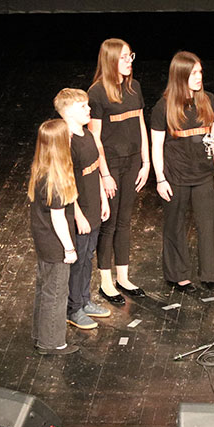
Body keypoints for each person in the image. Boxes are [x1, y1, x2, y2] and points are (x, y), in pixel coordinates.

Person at [150, 52, 214, 291]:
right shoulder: (163, 106)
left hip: (204, 173)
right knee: (175, 225)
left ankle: (210, 274)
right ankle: (178, 275)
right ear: (180, 76)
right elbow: (157, 145)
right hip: (176, 174)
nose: (199, 77)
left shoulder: (208, 100)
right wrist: (160, 179)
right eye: (193, 74)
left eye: (200, 72)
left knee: (207, 224)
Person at [88, 38, 150, 305]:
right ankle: (105, 282)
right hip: (111, 164)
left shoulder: (134, 87)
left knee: (124, 221)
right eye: (123, 57)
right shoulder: (97, 93)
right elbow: (95, 137)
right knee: (109, 223)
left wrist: (146, 162)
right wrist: (104, 174)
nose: (128, 61)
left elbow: (140, 125)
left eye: (130, 56)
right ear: (110, 60)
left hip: (132, 162)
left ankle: (123, 277)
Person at [54, 88, 112, 330]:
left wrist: (103, 200)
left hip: (94, 205)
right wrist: (79, 215)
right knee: (78, 261)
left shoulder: (87, 134)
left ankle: (85, 300)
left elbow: (94, 168)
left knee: (88, 257)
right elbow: (67, 185)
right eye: (83, 107)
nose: (89, 109)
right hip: (80, 211)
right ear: (68, 112)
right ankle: (73, 308)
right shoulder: (67, 143)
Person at [28, 119, 80, 355]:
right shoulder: (55, 179)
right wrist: (69, 248)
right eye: (68, 136)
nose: (71, 138)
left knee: (45, 289)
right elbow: (58, 219)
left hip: (43, 239)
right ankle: (51, 343)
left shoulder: (42, 167)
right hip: (55, 243)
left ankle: (41, 335)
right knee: (56, 292)